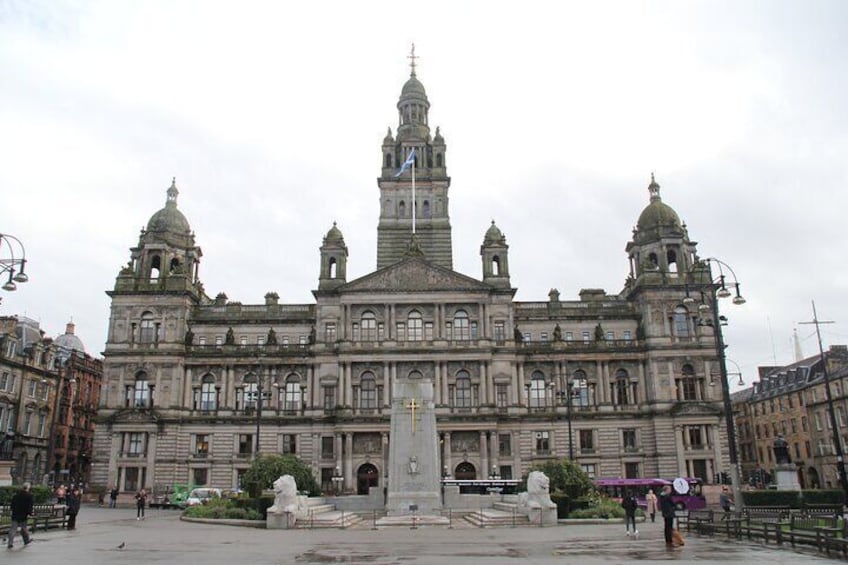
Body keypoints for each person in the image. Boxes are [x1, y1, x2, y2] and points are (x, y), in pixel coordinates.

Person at [7, 482, 34, 548]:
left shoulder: (16, 495)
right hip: (23, 515)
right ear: (28, 488)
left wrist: (13, 511)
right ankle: (26, 540)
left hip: (15, 514)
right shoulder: (29, 496)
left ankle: (10, 543)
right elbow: (29, 506)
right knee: (24, 528)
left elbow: (12, 505)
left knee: (13, 529)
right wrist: (30, 513)